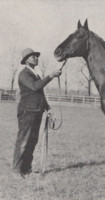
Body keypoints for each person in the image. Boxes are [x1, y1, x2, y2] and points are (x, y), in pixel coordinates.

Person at [12, 48, 62, 179]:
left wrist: (48, 108)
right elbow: (35, 87)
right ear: (26, 60)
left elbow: (40, 94)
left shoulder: (35, 74)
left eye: (36, 56)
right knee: (23, 141)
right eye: (32, 56)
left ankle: (26, 169)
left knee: (32, 141)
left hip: (36, 111)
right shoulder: (24, 74)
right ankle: (16, 170)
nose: (35, 58)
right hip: (27, 112)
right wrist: (51, 75)